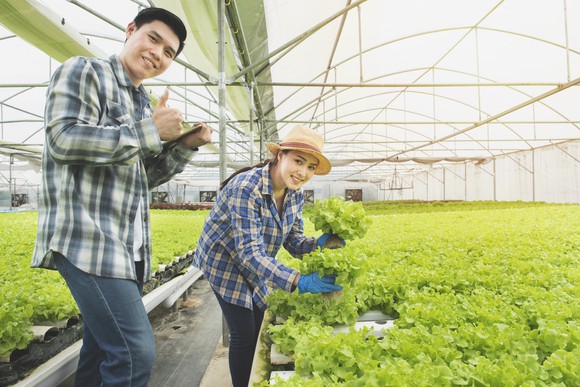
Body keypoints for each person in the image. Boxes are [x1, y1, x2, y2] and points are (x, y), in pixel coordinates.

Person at [31, 7, 212, 387]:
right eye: (153, 39)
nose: (158, 54)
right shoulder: (84, 71)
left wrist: (183, 146)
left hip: (125, 247)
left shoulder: (143, 102)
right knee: (134, 351)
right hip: (86, 238)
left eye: (168, 52)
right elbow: (63, 141)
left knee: (100, 353)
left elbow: (141, 178)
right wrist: (149, 130)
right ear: (131, 30)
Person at [193, 124, 345, 387]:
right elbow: (249, 252)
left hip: (255, 258)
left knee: (259, 314)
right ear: (280, 155)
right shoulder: (246, 188)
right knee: (243, 331)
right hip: (223, 259)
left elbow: (292, 240)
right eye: (298, 161)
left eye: (310, 167)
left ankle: (253, 374)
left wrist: (316, 244)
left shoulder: (294, 194)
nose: (303, 172)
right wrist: (299, 280)